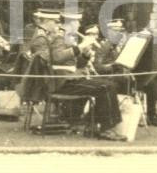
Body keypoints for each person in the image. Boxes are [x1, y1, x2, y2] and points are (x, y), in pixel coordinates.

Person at [28, 10, 125, 140]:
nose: (79, 24)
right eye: (77, 21)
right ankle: (106, 129)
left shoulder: (68, 36)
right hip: (62, 81)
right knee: (107, 87)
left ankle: (91, 124)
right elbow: (57, 58)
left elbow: (76, 63)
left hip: (70, 79)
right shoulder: (59, 37)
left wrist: (85, 54)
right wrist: (80, 47)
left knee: (107, 85)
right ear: (70, 23)